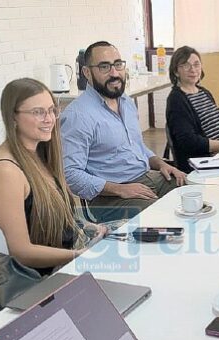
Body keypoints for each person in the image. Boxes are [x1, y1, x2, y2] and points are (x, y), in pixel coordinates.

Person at [0, 78, 106, 275]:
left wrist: (87, 228)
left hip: (62, 262)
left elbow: (54, 219)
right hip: (36, 280)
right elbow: (20, 252)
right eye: (38, 112)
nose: (49, 119)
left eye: (52, 110)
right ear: (13, 117)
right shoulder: (5, 172)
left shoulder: (38, 154)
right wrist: (80, 254)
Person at [61, 41, 186, 222]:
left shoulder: (125, 101)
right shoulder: (78, 115)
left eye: (118, 64)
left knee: (191, 190)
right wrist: (120, 189)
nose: (114, 73)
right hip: (108, 197)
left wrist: (161, 164)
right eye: (104, 67)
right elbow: (70, 175)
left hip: (144, 177)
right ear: (87, 73)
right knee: (165, 215)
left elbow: (138, 147)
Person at [166, 46, 219, 173]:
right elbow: (189, 142)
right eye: (186, 65)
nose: (193, 70)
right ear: (176, 71)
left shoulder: (204, 92)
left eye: (196, 64)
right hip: (201, 163)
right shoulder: (176, 99)